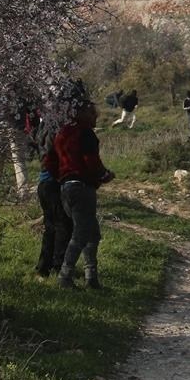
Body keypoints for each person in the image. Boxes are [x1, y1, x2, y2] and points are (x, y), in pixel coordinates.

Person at [55, 102, 115, 289]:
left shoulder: (62, 132)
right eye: (93, 114)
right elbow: (91, 162)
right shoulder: (85, 133)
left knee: (92, 234)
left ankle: (92, 278)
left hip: (65, 187)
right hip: (82, 187)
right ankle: (65, 276)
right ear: (82, 114)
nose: (96, 117)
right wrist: (105, 175)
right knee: (81, 234)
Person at [33, 118, 72, 277]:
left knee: (53, 226)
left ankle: (45, 267)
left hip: (47, 182)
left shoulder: (45, 125)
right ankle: (56, 267)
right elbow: (49, 157)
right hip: (52, 182)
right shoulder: (53, 127)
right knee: (62, 225)